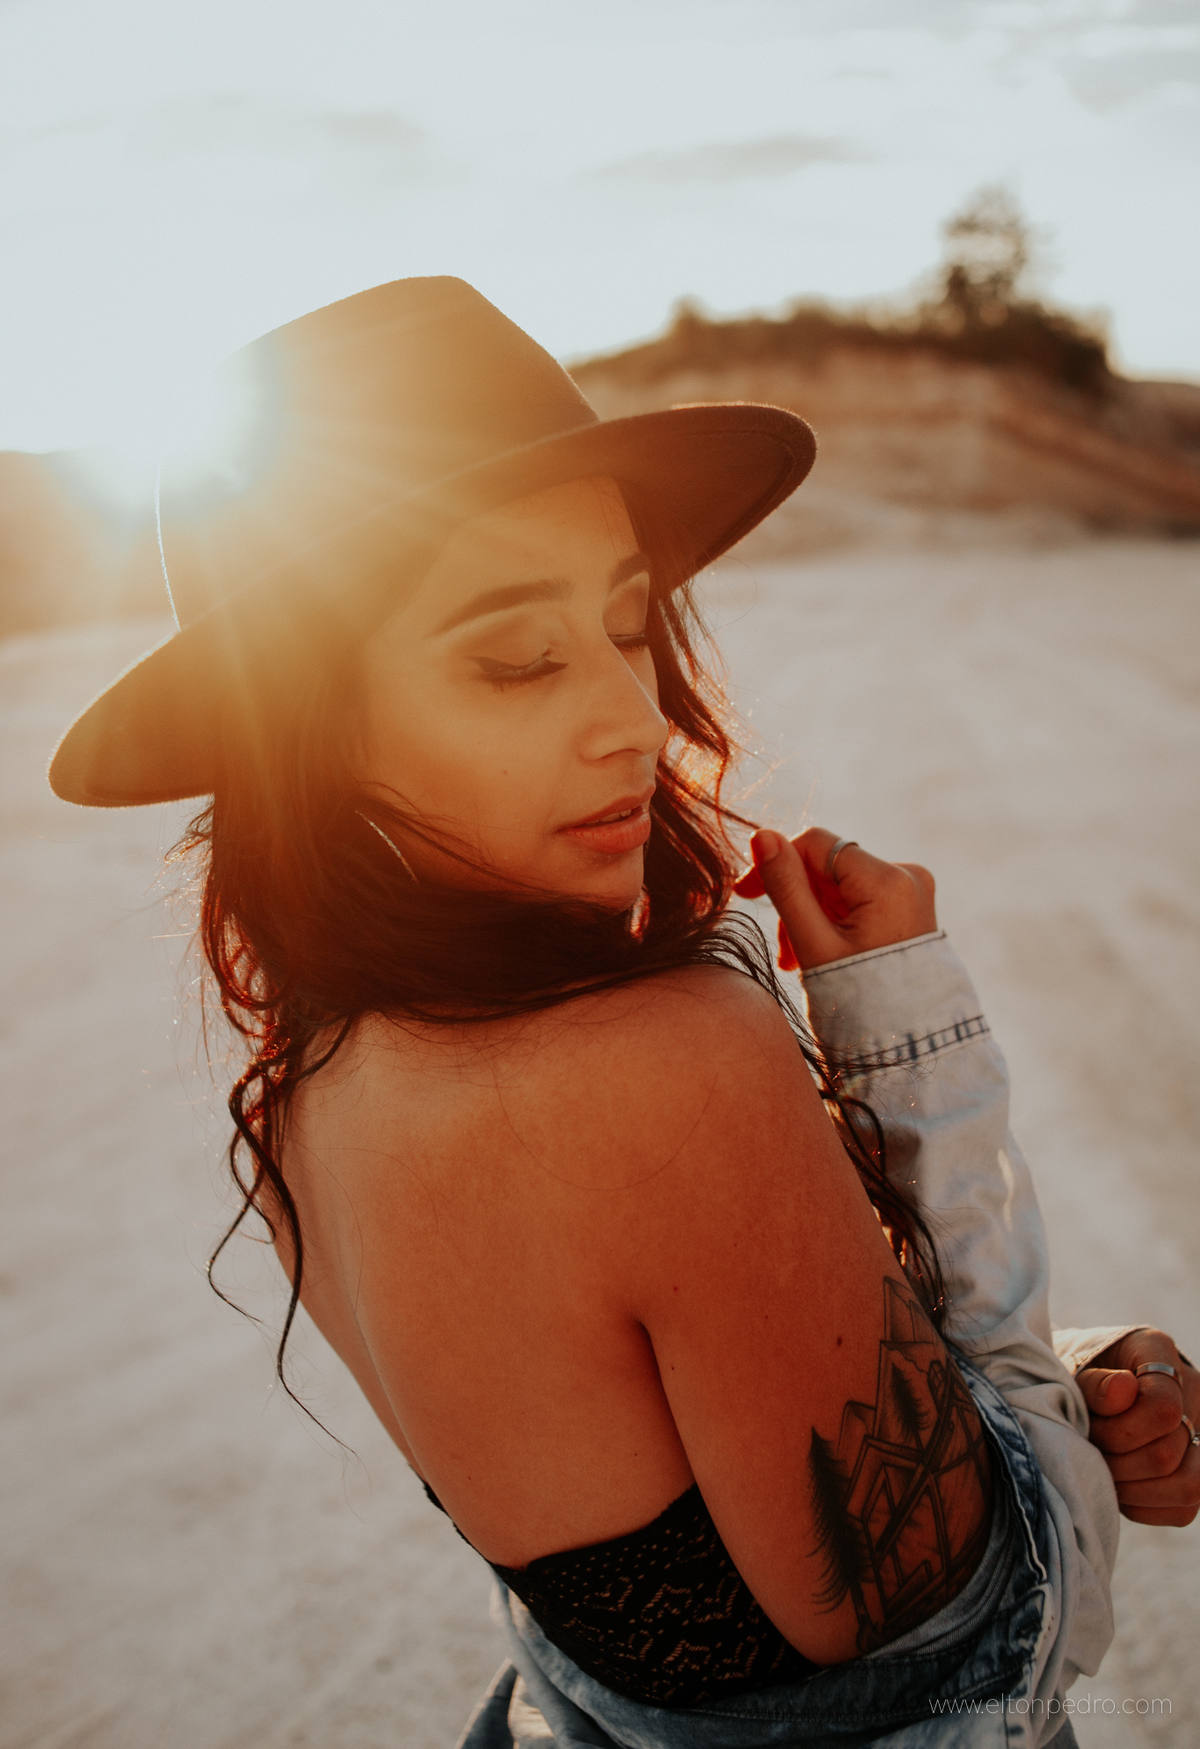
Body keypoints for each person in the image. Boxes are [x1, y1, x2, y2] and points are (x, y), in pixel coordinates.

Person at [49, 279, 1198, 1748]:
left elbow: (656, 1497)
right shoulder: (667, 1066)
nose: (639, 719)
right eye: (516, 657)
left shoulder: (298, 1101)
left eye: (627, 623)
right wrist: (914, 1039)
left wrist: (997, 1385)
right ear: (305, 739)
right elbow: (970, 1639)